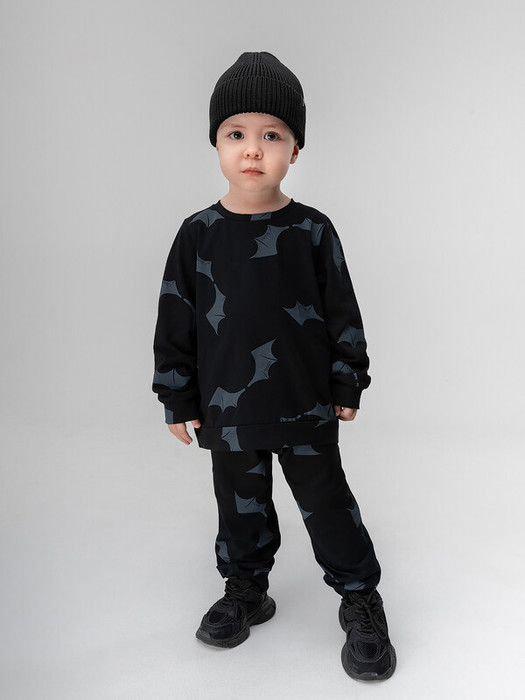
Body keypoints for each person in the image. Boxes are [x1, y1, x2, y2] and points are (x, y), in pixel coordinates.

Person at [152, 51, 396, 682]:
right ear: (216, 144)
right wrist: (177, 396)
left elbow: (342, 311)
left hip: (306, 403)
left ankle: (360, 599)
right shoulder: (197, 235)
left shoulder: (312, 231)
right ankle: (246, 590)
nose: (253, 150)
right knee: (240, 510)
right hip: (228, 409)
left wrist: (348, 379)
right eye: (236, 134)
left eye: (272, 135)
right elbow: (176, 320)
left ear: (295, 149)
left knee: (328, 504)